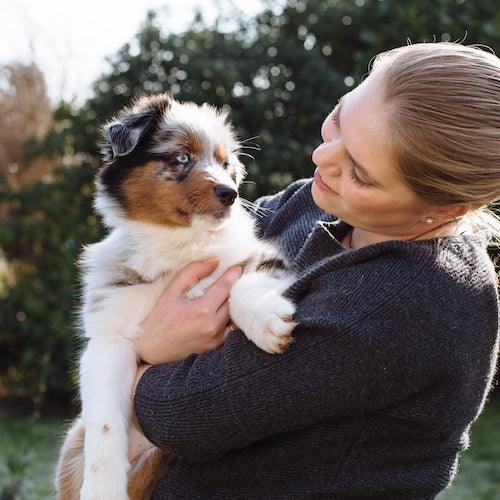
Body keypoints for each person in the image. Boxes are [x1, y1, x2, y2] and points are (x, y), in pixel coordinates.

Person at [131, 42, 500, 499]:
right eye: (339, 121)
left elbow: (184, 417)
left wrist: (142, 347)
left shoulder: (405, 301)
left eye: (360, 174)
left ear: (448, 206)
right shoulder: (313, 200)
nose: (323, 159)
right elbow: (169, 265)